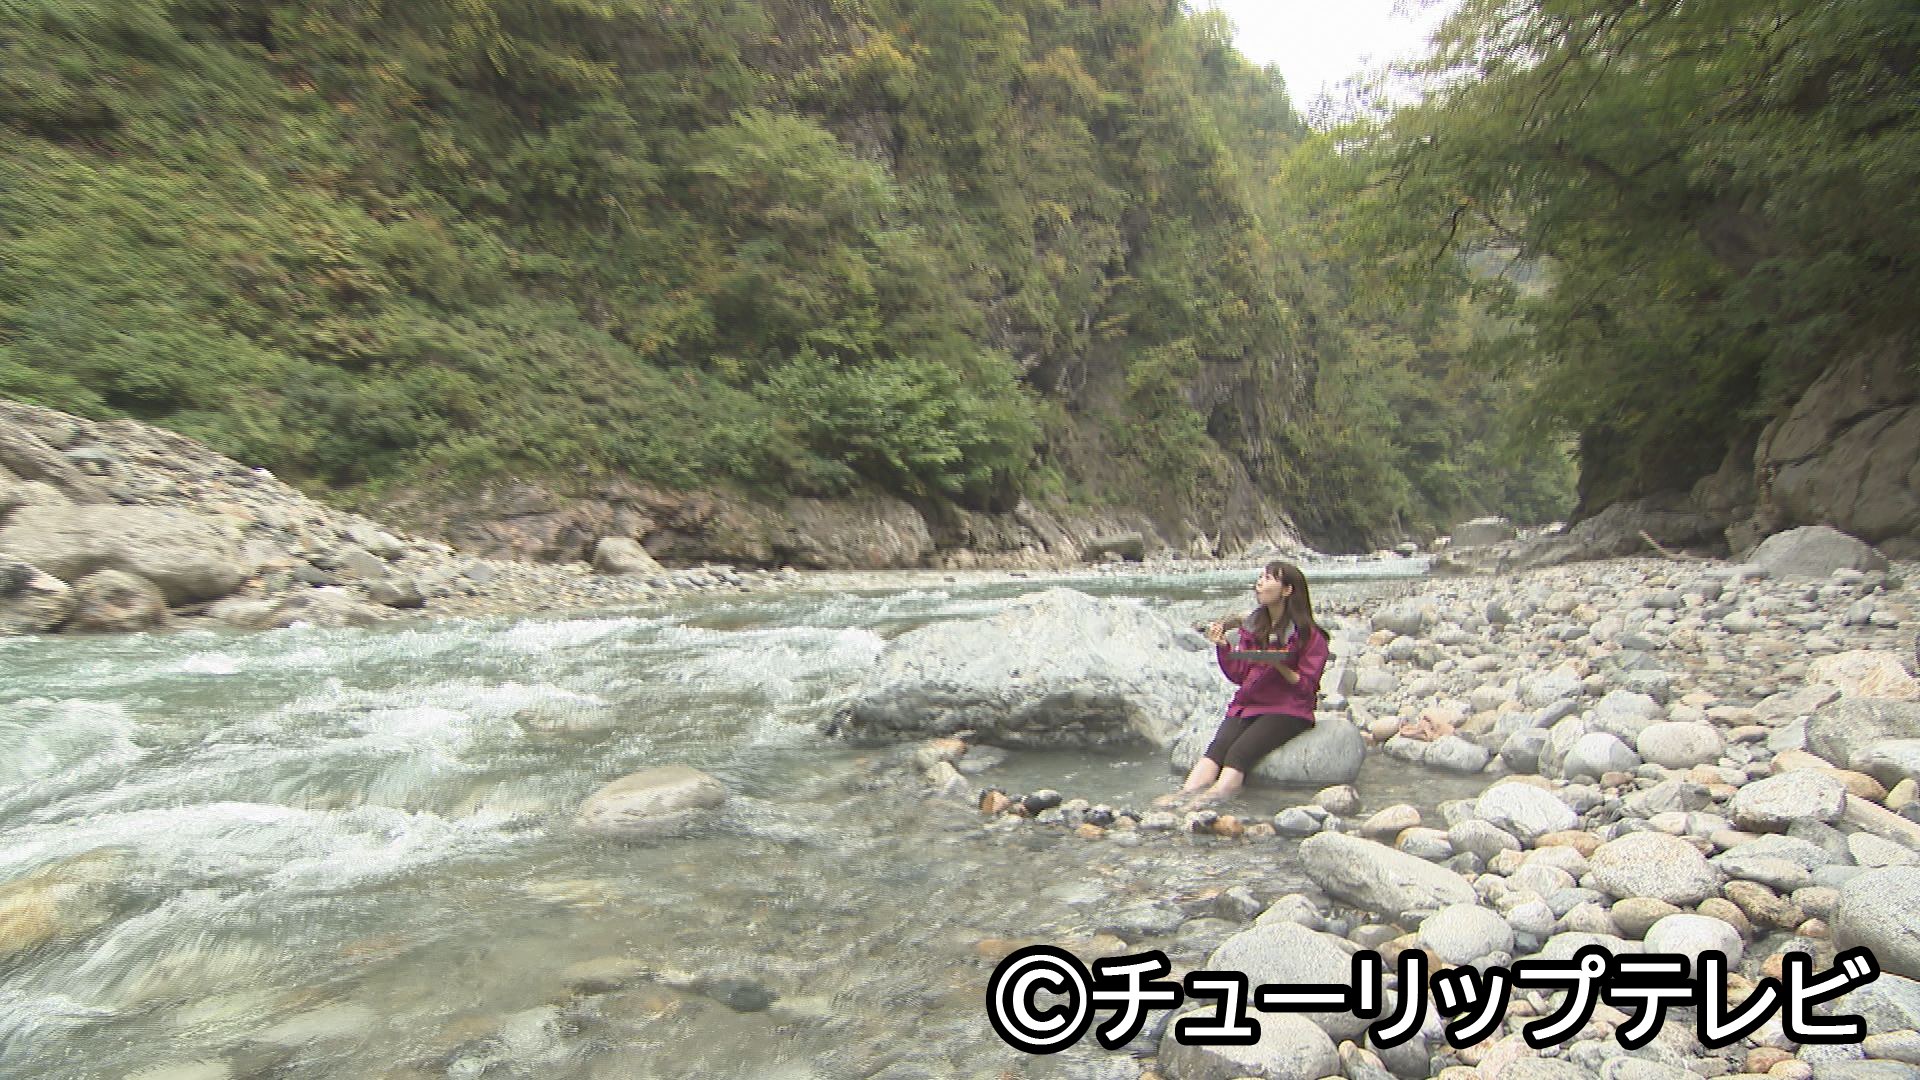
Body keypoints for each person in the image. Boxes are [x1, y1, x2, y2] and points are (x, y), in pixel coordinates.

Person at [1155, 560, 1330, 808]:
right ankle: (1182, 796)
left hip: (1288, 709)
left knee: (1238, 755)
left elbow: (1307, 687)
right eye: (1260, 577)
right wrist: (1223, 647)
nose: (1260, 583)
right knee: (1216, 750)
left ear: (1287, 590)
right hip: (1248, 705)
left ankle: (1207, 801)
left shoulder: (1310, 636)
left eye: (1268, 579)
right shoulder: (1255, 626)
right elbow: (1239, 675)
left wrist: (1279, 665)